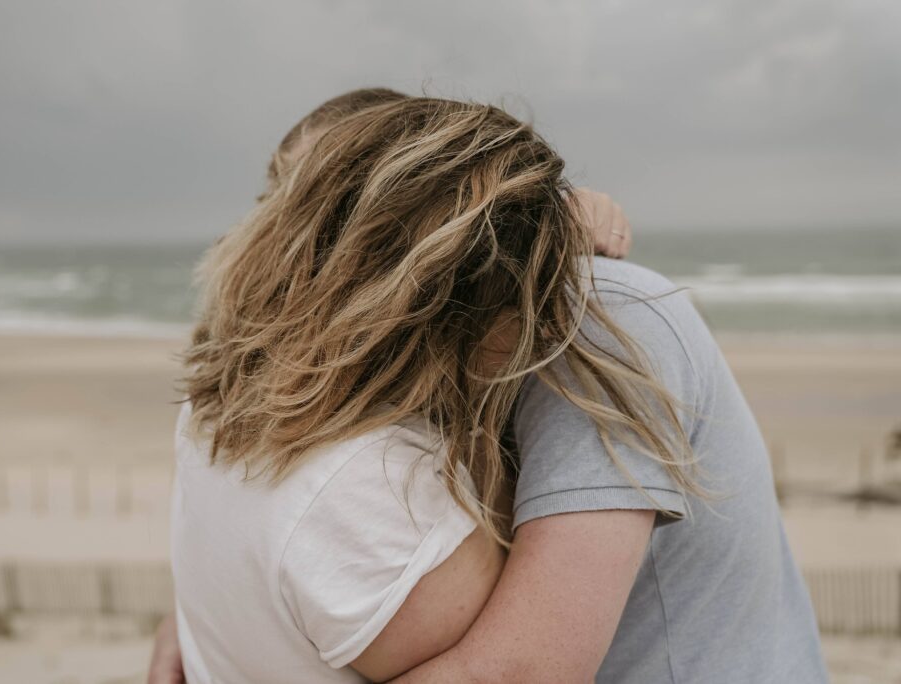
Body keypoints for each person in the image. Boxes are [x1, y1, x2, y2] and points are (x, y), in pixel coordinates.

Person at [151, 90, 827, 683]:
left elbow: (519, 673)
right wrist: (203, 615)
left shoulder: (596, 322)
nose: (279, 230)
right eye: (275, 199)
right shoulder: (385, 363)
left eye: (310, 204)